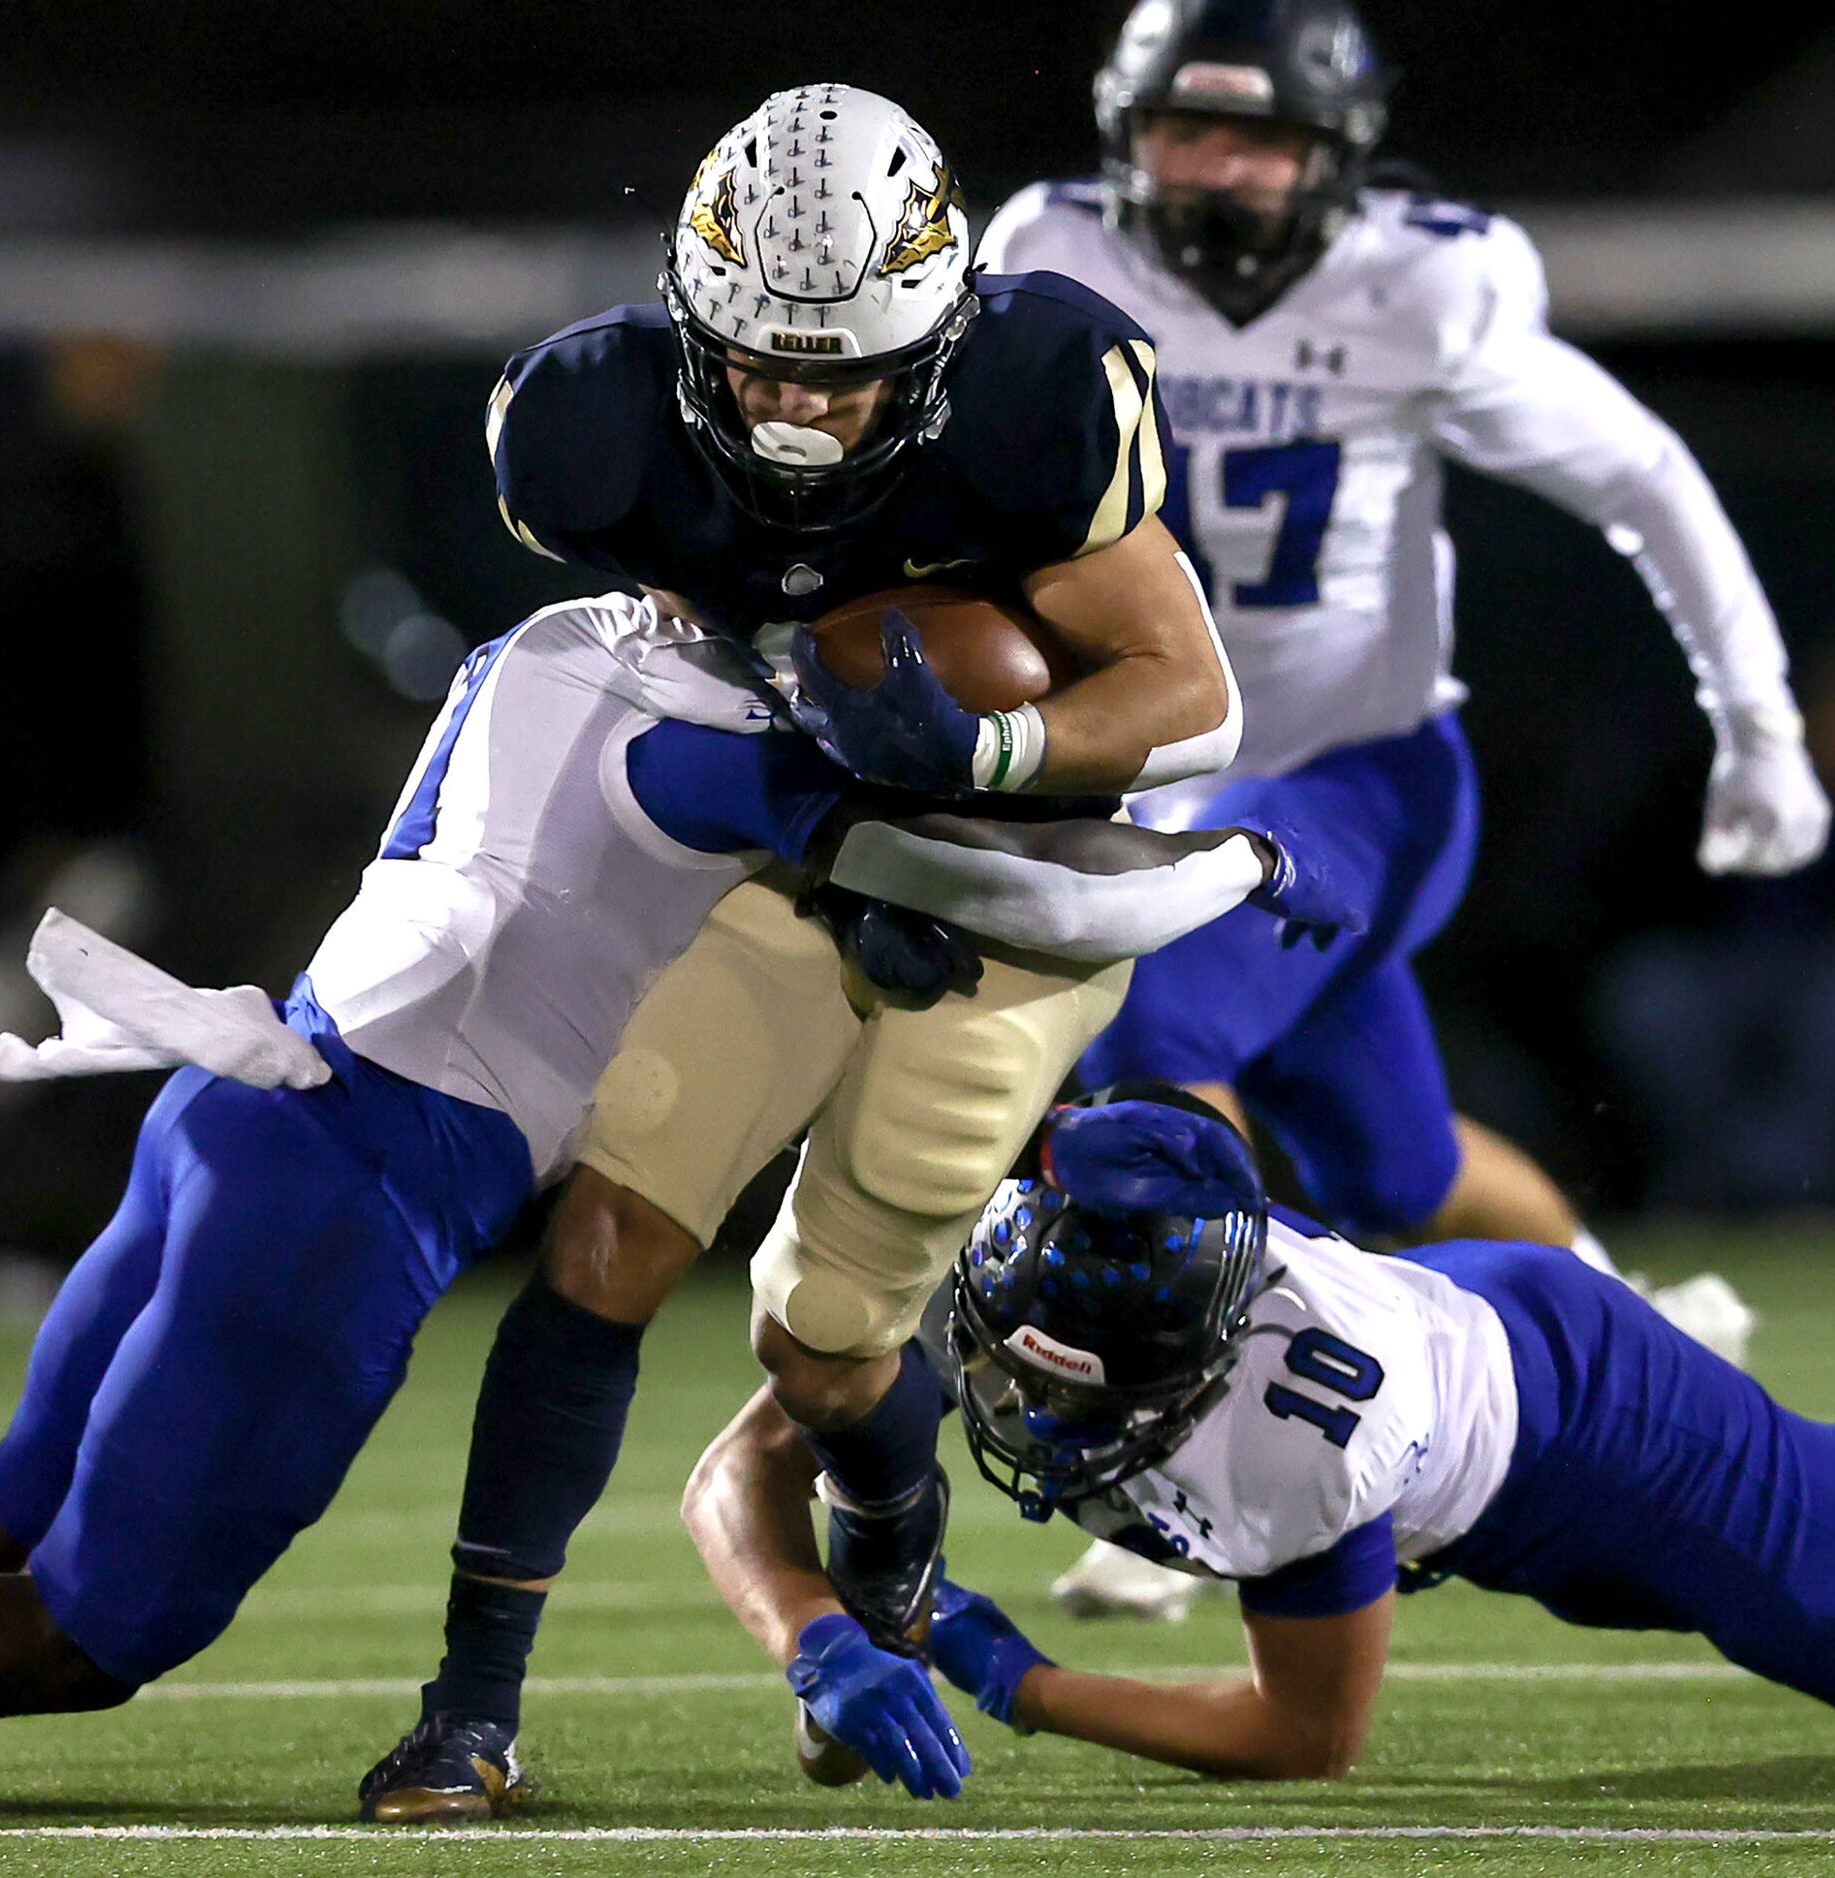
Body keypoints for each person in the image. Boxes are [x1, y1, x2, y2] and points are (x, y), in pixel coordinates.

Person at [0, 592, 1327, 1747]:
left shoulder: (548, 637)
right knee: (86, 1631)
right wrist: (1238, 862)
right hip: (350, 1186)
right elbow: (1011, 888)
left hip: (241, 1102)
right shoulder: (710, 744)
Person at [355, 80, 1257, 1820]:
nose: (790, 401)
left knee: (825, 1349)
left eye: (839, 370)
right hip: (792, 850)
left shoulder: (1034, 404)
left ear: (934, 339)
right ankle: (472, 1710)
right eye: (758, 359)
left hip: (1008, 883)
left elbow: (1193, 701)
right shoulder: (594, 425)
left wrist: (982, 748)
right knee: (606, 1234)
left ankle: (897, 1552)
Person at [975, 0, 1826, 1617]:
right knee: (1405, 1163)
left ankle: (1205, 1434)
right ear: (1121, 134)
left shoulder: (1420, 285)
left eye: (1260, 139)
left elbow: (1642, 475)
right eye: (1186, 131)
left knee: (1155, 1029)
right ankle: (1644, 1339)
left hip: (1369, 777)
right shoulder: (1056, 254)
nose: (1219, 172)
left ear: (1337, 157)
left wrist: (1760, 725)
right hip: (1163, 785)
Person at [686, 1089, 1835, 1787]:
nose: (1039, 1417)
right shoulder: (1016, 1262)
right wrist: (810, 1633)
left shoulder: (1303, 1431)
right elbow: (734, 1470)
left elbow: (1302, 1733)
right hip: (1505, 1375)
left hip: (1600, 1437)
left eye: (1091, 1393)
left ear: (1204, 1346)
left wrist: (1012, 1674)